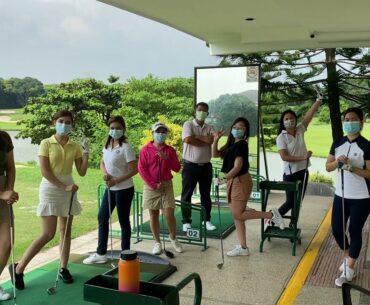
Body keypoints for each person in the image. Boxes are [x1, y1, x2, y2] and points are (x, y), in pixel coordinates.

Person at [9, 110, 89, 289]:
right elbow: (44, 171)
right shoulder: (46, 143)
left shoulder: (74, 145)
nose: (65, 124)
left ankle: (63, 268)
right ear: (54, 122)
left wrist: (86, 153)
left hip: (69, 187)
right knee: (48, 233)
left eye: (68, 122)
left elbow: (82, 172)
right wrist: (63, 187)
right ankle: (19, 269)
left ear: (72, 125)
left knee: (65, 231)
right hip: (51, 188)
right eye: (61, 121)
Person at [212, 117, 285, 256]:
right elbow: (214, 154)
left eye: (241, 127)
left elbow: (238, 167)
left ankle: (271, 215)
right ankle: (243, 248)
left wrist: (222, 179)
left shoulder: (241, 145)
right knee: (237, 216)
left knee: (238, 213)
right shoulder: (232, 144)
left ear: (246, 131)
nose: (237, 129)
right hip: (233, 181)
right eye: (235, 127)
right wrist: (215, 140)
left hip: (240, 180)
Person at [83, 116, 138, 264]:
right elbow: (102, 162)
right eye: (112, 128)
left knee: (123, 221)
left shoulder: (126, 147)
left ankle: (125, 255)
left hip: (124, 189)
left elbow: (134, 170)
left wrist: (116, 180)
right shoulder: (107, 145)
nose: (115, 131)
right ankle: (101, 254)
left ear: (123, 129)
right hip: (111, 188)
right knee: (102, 217)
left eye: (118, 128)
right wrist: (105, 173)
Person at [325, 107, 370, 287]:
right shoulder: (338, 143)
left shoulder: (367, 145)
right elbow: (328, 166)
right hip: (341, 195)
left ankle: (349, 268)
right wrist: (337, 162)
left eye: (353, 119)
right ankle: (349, 255)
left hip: (362, 197)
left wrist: (352, 168)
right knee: (336, 229)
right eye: (346, 119)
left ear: (361, 122)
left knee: (354, 231)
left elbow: (369, 173)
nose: (349, 122)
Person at [274, 95, 322, 225]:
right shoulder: (281, 137)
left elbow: (309, 115)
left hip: (303, 171)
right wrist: (304, 157)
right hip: (290, 174)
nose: (290, 120)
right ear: (283, 122)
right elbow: (284, 157)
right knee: (290, 201)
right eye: (286, 119)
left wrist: (318, 101)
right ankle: (272, 219)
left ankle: (293, 225)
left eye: (292, 118)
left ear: (296, 120)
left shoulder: (300, 129)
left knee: (298, 201)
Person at [138, 122, 183, 255]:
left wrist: (166, 159)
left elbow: (176, 168)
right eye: (158, 132)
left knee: (169, 214)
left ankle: (173, 238)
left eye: (164, 132)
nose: (161, 134)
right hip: (151, 186)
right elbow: (141, 168)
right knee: (153, 214)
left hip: (166, 184)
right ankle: (157, 242)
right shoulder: (145, 150)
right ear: (152, 133)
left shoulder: (170, 150)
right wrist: (153, 184)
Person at [181, 102, 216, 232]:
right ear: (195, 111)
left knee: (206, 194)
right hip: (190, 166)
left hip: (206, 166)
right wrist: (203, 140)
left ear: (207, 113)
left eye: (204, 110)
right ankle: (186, 221)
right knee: (187, 194)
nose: (202, 112)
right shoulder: (188, 124)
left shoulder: (210, 127)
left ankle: (206, 220)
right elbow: (188, 140)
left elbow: (211, 140)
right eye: (199, 109)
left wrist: (196, 137)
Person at [0, 130, 19, 301]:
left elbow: (11, 167)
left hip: (3, 193)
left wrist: (9, 189)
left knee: (6, 244)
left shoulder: (3, 137)